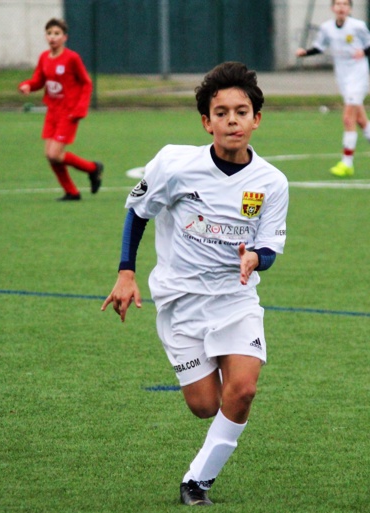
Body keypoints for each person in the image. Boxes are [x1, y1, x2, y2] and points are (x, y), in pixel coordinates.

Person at [102, 62, 289, 506]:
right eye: (220, 112)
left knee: (242, 390)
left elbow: (271, 249)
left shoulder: (271, 183)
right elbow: (138, 211)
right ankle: (213, 412)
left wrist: (254, 258)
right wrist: (126, 272)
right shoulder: (174, 164)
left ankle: (197, 482)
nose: (232, 121)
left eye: (241, 111)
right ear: (206, 122)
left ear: (256, 119)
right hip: (180, 303)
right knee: (206, 405)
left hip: (235, 300)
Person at [296, 0, 370, 177]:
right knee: (360, 119)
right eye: (338, 4)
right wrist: (306, 52)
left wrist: (363, 52)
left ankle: (347, 163)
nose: (341, 7)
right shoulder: (326, 28)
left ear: (350, 9)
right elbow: (320, 46)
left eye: (345, 4)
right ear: (332, 8)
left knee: (348, 118)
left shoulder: (358, 26)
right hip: (342, 77)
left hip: (358, 75)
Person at [19, 18, 103, 201]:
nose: (52, 37)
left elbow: (86, 83)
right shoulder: (44, 57)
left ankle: (92, 168)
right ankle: (72, 191)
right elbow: (38, 81)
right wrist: (27, 85)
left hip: (69, 112)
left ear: (65, 37)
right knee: (50, 156)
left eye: (57, 34)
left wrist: (80, 109)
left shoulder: (72, 58)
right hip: (53, 111)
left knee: (54, 153)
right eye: (49, 33)